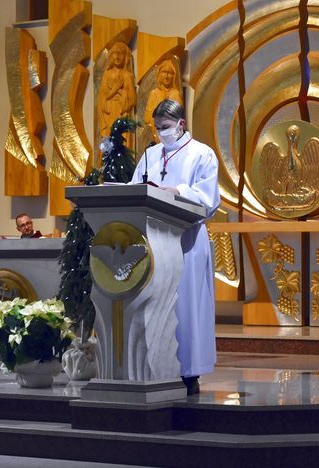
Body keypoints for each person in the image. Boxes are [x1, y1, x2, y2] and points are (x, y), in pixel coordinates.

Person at [130, 99, 220, 395]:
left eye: (166, 127)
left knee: (186, 306)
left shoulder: (201, 154)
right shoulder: (150, 155)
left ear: (181, 124)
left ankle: (188, 373)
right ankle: (154, 366)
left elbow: (208, 199)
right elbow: (135, 189)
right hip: (153, 242)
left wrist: (177, 192)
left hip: (187, 241)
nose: (161, 133)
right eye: (157, 128)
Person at [97, 42, 136, 138]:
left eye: (121, 53)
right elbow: (102, 97)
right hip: (109, 112)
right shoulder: (107, 74)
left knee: (121, 141)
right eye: (115, 53)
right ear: (111, 56)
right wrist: (115, 90)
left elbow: (133, 100)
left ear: (125, 57)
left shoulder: (127, 75)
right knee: (110, 140)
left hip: (121, 113)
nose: (117, 56)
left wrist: (119, 91)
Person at [144, 60, 183, 142]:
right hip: (156, 134)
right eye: (164, 72)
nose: (166, 76)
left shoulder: (175, 94)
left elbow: (179, 117)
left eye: (169, 73)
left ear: (174, 76)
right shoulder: (154, 94)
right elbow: (147, 118)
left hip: (172, 136)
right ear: (159, 74)